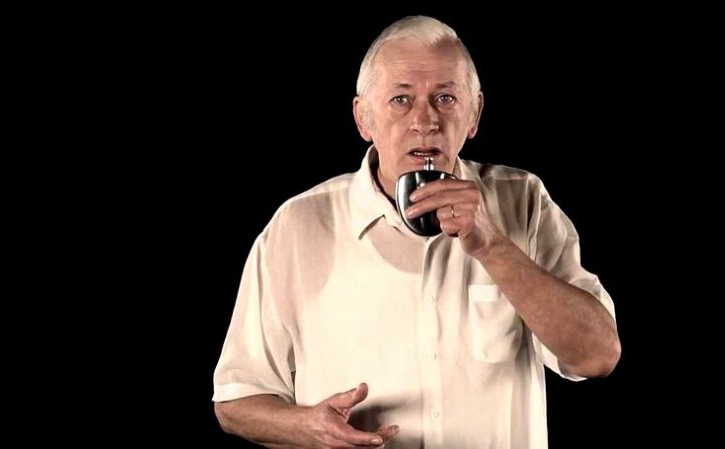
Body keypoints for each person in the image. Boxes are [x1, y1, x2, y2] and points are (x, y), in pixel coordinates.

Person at [213, 15, 620, 448]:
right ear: (363, 118)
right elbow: (237, 399)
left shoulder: (523, 200)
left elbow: (597, 356)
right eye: (401, 100)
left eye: (445, 98)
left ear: (474, 113)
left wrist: (495, 247)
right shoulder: (298, 225)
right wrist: (307, 428)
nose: (425, 121)